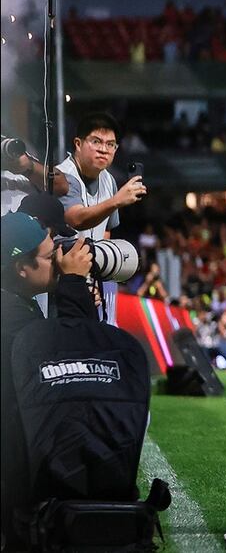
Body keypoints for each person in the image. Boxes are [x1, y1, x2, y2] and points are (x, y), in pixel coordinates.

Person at [1, 212, 94, 548]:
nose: (59, 259)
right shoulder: (10, 319)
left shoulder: (15, 304)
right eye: (51, 255)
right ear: (21, 268)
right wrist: (73, 287)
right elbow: (75, 362)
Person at [57, 111, 146, 241]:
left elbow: (106, 230)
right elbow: (76, 220)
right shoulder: (62, 176)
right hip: (63, 253)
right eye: (96, 142)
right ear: (78, 144)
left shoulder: (109, 179)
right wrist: (116, 200)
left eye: (110, 144)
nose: (103, 150)